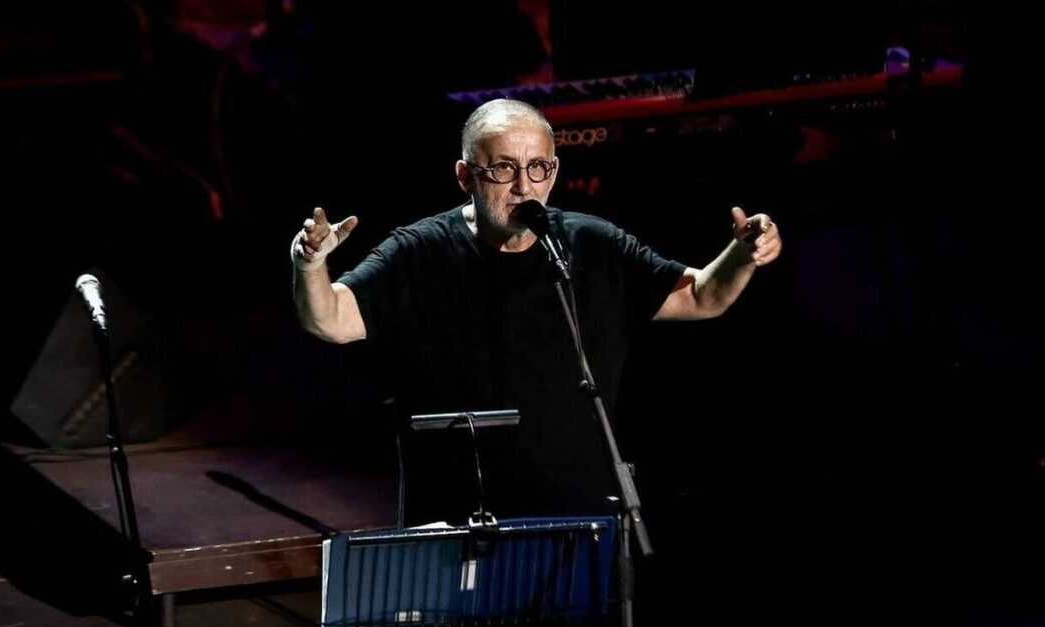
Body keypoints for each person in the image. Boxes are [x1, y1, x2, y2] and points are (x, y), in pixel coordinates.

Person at [290, 98, 781, 525]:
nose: (524, 186)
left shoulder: (590, 244)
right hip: (457, 517)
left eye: (538, 168)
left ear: (555, 172)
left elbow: (700, 296)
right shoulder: (418, 252)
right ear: (465, 176)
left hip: (577, 517)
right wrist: (311, 265)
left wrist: (742, 255)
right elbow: (330, 320)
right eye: (503, 169)